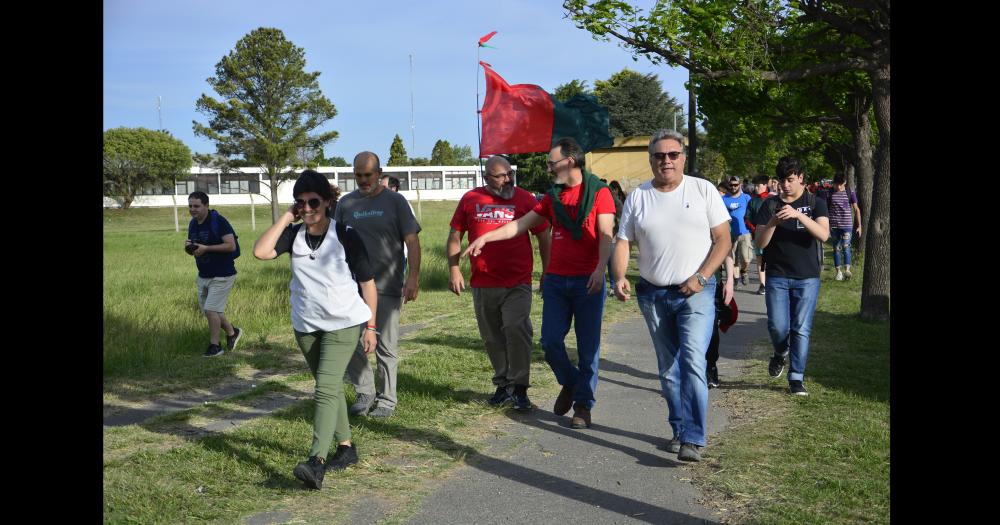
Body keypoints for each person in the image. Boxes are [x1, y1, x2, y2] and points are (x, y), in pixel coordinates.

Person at [464, 137, 616, 430]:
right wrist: (485, 237)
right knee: (549, 341)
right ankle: (571, 383)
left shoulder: (599, 193)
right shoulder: (552, 197)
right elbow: (519, 225)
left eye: (551, 163)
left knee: (588, 347)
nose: (548, 168)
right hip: (558, 280)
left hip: (588, 281)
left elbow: (606, 233)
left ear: (569, 162)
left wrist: (600, 269)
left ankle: (583, 405)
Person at [252, 170, 378, 490]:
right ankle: (346, 448)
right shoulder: (293, 235)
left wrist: (371, 326)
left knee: (324, 388)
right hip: (306, 324)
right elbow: (261, 252)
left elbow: (368, 284)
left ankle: (316, 461)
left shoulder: (346, 235)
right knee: (329, 387)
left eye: (313, 202)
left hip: (343, 323)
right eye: (301, 203)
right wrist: (286, 216)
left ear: (327, 202)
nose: (307, 208)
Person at [611, 129, 732, 462]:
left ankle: (693, 438)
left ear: (682, 157)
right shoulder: (638, 197)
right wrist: (619, 276)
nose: (666, 161)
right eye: (659, 156)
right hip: (653, 295)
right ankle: (679, 429)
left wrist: (702, 276)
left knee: (693, 362)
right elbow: (623, 240)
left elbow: (723, 239)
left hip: (696, 293)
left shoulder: (703, 189)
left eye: (673, 154)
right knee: (669, 369)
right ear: (650, 160)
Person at [447, 156, 552, 411]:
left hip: (518, 280)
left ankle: (520, 387)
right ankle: (503, 384)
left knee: (517, 328)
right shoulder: (471, 199)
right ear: (486, 178)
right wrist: (454, 269)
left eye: (509, 173)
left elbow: (543, 236)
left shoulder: (526, 199)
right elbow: (455, 234)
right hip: (483, 281)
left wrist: (547, 271)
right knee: (492, 337)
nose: (507, 179)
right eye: (500, 175)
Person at [335, 152, 422, 418]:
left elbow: (412, 241)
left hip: (387, 284)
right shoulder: (346, 204)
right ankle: (365, 391)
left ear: (379, 173)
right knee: (350, 341)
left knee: (385, 345)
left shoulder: (395, 201)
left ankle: (387, 399)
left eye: (368, 175)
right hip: (352, 288)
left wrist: (413, 277)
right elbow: (335, 243)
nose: (363, 180)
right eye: (358, 175)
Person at [753, 157, 830, 396]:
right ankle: (780, 352)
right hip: (777, 274)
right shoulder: (769, 205)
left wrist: (798, 216)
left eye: (791, 180)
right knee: (778, 326)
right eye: (782, 180)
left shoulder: (815, 202)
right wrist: (774, 221)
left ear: (801, 179)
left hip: (807, 276)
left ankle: (796, 377)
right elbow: (760, 243)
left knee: (801, 328)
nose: (786, 185)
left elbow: (823, 235)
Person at [185, 191, 243, 358]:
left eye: (196, 206)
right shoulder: (193, 224)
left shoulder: (219, 221)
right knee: (211, 311)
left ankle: (215, 346)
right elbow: (194, 245)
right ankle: (233, 333)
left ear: (206, 206)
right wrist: (190, 248)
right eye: (190, 206)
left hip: (223, 274)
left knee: (211, 310)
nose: (192, 209)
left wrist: (207, 248)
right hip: (204, 274)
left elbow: (231, 246)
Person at [706, 255, 736, 388]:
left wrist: (730, 280)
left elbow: (727, 248)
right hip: (682, 281)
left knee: (710, 330)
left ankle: (711, 366)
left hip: (711, 284)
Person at [825, 173, 862, 281]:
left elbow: (856, 209)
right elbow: (826, 210)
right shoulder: (830, 193)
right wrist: (826, 225)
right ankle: (838, 273)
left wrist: (859, 226)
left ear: (844, 183)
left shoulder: (850, 192)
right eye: (836, 184)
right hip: (834, 226)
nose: (838, 187)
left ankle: (847, 270)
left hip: (847, 226)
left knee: (846, 247)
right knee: (836, 248)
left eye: (840, 185)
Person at [722, 175, 753, 287]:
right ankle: (735, 279)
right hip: (731, 233)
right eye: (731, 185)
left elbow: (752, 212)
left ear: (739, 185)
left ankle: (744, 271)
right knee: (733, 259)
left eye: (736, 185)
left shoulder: (746, 197)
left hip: (745, 232)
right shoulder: (724, 199)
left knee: (746, 259)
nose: (733, 187)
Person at [746, 175, 771, 295]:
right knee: (760, 260)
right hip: (758, 235)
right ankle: (763, 284)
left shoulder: (773, 199)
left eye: (758, 185)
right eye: (755, 185)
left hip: (773, 235)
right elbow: (747, 218)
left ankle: (771, 282)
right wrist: (754, 229)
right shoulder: (752, 201)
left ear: (765, 185)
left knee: (772, 259)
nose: (756, 188)